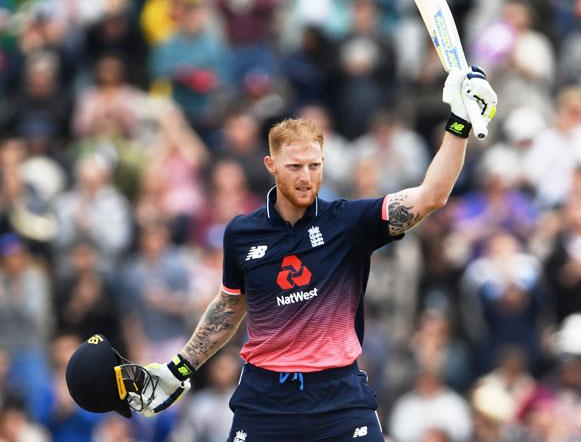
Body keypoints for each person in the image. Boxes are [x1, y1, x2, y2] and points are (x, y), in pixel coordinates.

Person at [129, 66, 497, 441]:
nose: (306, 178)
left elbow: (431, 195)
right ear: (271, 166)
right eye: (294, 167)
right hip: (265, 400)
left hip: (339, 397)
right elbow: (228, 307)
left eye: (314, 166)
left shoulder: (348, 223)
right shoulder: (242, 233)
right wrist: (180, 368)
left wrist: (458, 124)